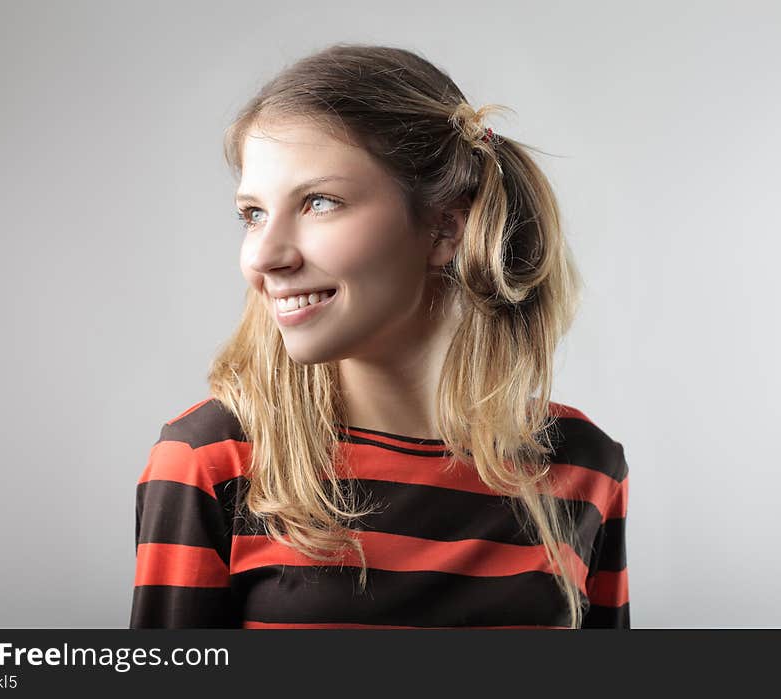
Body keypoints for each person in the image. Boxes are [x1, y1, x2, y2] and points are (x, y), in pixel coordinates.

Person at [129, 42, 629, 629]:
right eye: (253, 214)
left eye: (319, 202)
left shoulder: (584, 466)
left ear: (446, 226)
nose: (262, 256)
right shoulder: (210, 460)